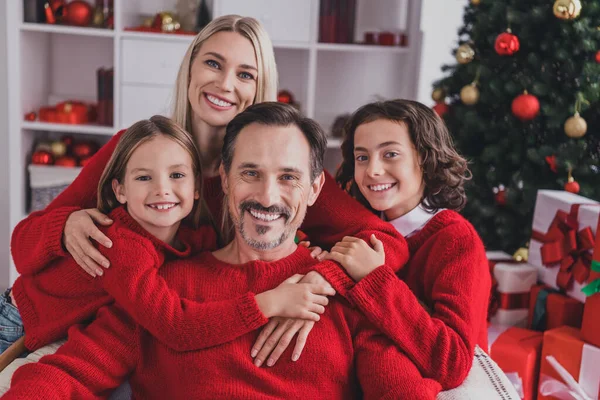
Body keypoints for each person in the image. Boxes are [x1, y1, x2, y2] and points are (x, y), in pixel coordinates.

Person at [9, 14, 409, 359]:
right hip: (25, 319)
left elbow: (388, 242)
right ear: (191, 69)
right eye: (213, 64)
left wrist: (326, 278)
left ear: (259, 87)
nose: (224, 84)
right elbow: (23, 246)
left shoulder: (273, 177)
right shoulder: (135, 146)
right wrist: (63, 227)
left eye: (245, 74)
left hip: (125, 332)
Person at [3, 102, 441, 400]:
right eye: (251, 172)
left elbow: (401, 389)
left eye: (288, 177)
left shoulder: (345, 290)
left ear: (314, 189)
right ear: (224, 179)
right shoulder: (163, 286)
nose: (267, 196)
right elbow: (64, 374)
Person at [2, 115, 334, 356]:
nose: (162, 190)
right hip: (19, 322)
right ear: (120, 190)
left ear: (197, 189)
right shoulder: (122, 246)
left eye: (176, 175)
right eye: (144, 178)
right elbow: (175, 326)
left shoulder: (196, 239)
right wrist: (268, 303)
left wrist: (303, 249)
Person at [324, 99, 490, 390]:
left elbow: (452, 362)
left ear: (425, 159)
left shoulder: (456, 241)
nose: (373, 170)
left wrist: (375, 280)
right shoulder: (359, 225)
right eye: (362, 157)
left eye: (390, 154)